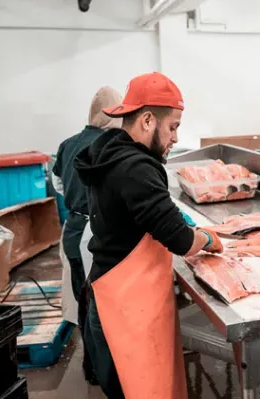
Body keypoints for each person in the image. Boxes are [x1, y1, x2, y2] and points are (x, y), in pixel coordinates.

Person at [74, 72, 223, 399]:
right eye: (173, 127)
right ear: (145, 120)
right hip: (126, 309)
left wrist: (171, 214)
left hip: (109, 292)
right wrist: (208, 239)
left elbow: (143, 210)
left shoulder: (111, 153)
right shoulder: (137, 168)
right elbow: (181, 242)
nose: (174, 137)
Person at [52, 86, 123, 384]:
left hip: (72, 228)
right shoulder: (110, 145)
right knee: (99, 303)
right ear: (112, 115)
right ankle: (104, 369)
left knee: (83, 298)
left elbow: (58, 184)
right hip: (94, 233)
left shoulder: (67, 144)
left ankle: (91, 367)